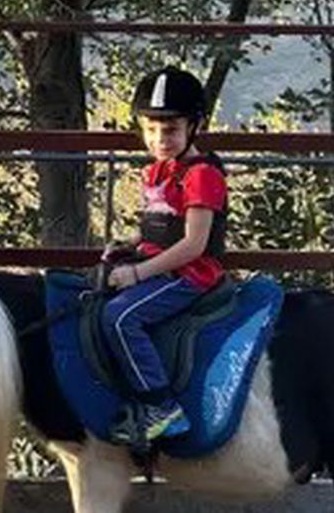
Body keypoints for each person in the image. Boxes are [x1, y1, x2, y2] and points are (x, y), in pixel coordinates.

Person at [103, 66, 228, 442]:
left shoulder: (201, 175)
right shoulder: (158, 171)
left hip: (190, 275)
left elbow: (194, 243)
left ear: (194, 126)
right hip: (162, 265)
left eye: (171, 129)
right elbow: (160, 221)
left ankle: (163, 407)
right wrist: (131, 243)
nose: (160, 139)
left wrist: (138, 274)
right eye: (151, 129)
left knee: (119, 318)